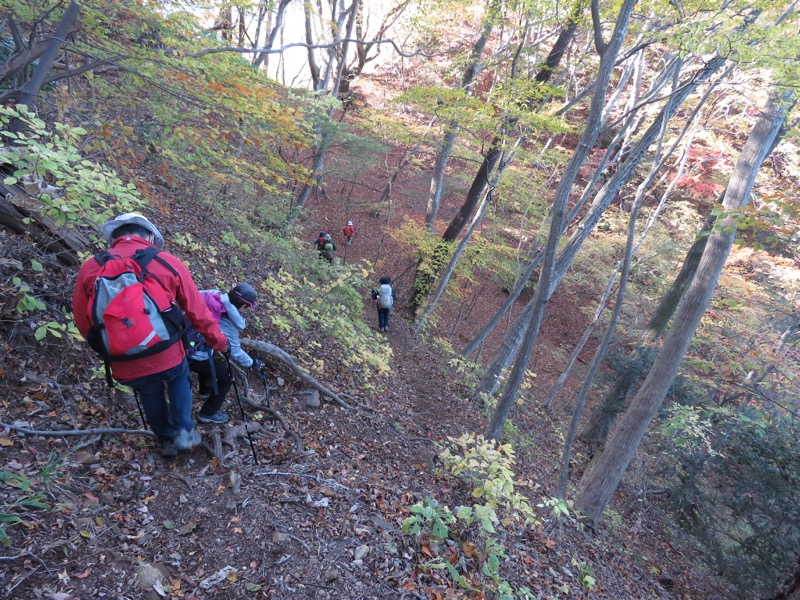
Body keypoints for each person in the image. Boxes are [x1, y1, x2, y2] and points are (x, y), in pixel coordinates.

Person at [73, 213, 228, 458]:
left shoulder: (91, 268)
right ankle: (184, 433)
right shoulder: (166, 261)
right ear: (147, 236)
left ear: (114, 239)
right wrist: (218, 342)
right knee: (179, 379)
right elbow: (197, 311)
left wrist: (113, 348)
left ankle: (165, 440)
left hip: (123, 359)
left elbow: (84, 321)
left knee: (149, 392)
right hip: (166, 351)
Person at [188, 283, 263, 424]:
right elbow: (235, 351)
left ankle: (205, 391)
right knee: (227, 377)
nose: (246, 311)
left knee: (210, 358)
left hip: (178, 342)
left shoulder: (212, 295)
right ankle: (207, 413)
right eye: (247, 308)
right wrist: (252, 363)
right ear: (244, 306)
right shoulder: (227, 319)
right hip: (193, 355)